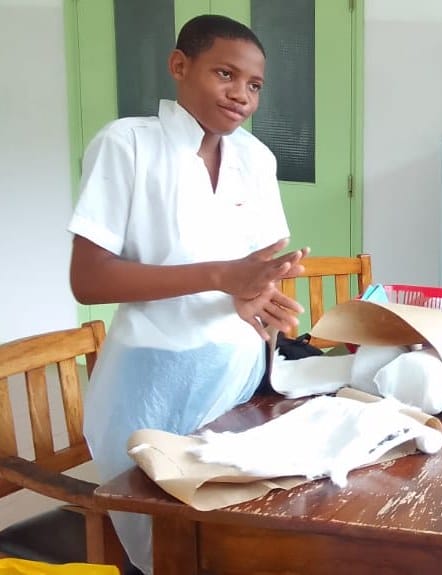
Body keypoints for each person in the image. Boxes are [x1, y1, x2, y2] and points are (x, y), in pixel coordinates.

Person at [68, 15, 306, 573]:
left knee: (236, 540)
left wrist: (261, 291)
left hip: (241, 381)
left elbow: (266, 256)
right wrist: (223, 277)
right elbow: (90, 279)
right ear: (179, 66)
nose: (241, 96)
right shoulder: (128, 145)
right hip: (148, 385)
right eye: (225, 74)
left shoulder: (255, 158)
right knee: (167, 546)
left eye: (254, 86)